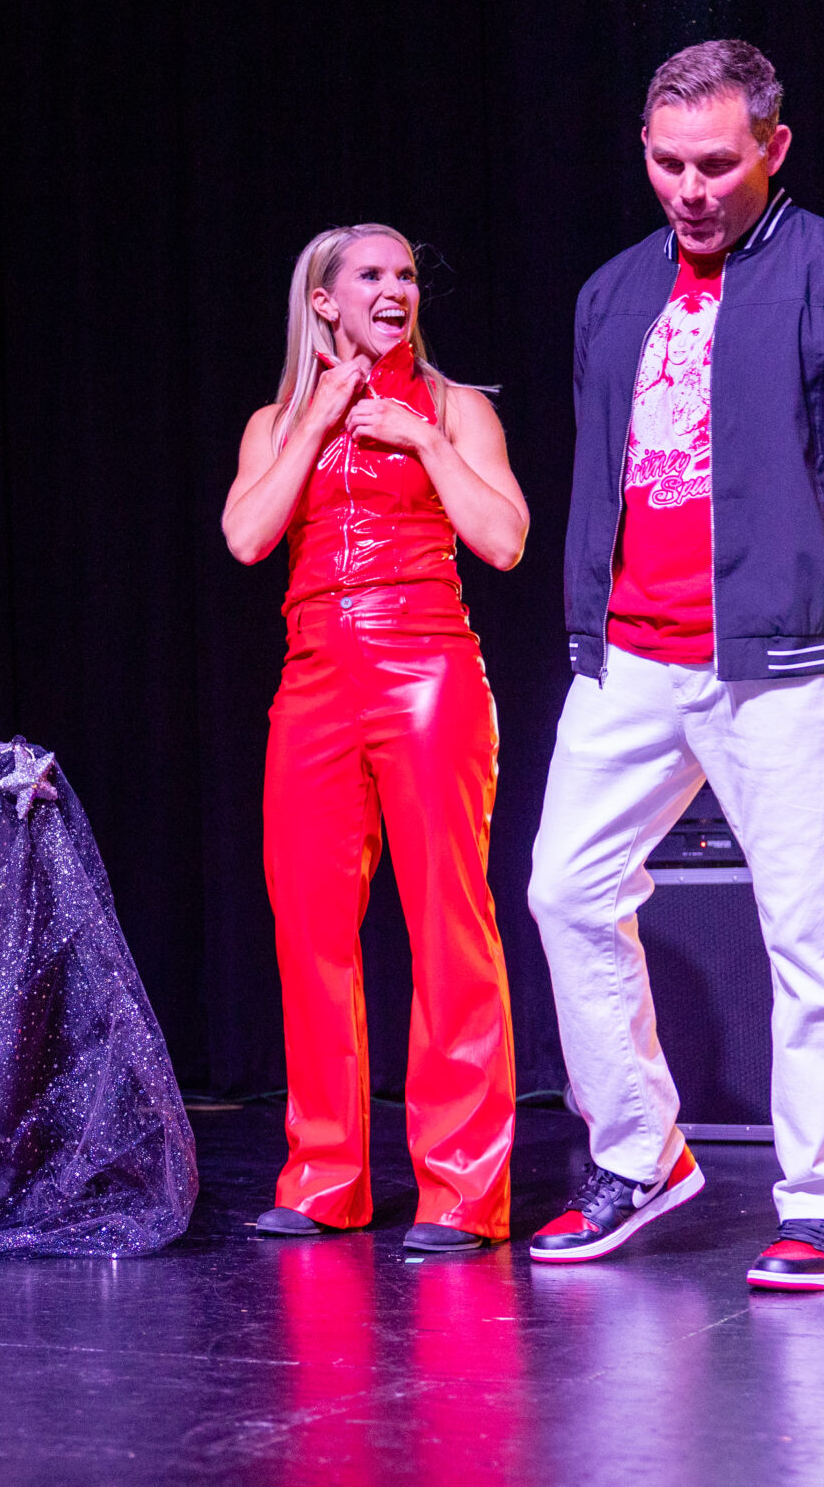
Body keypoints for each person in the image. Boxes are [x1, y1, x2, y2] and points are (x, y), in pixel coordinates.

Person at [526, 40, 824, 1290]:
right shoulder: (612, 292)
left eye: (716, 163)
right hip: (628, 656)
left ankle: (823, 1205)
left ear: (774, 147)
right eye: (667, 163)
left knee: (806, 931)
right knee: (566, 891)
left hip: (791, 663)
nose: (690, 189)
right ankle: (638, 1156)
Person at [223, 224, 530, 1252]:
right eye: (371, 274)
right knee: (309, 931)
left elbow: (504, 540)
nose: (396, 288)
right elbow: (247, 537)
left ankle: (464, 1188)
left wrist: (425, 442)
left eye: (405, 274)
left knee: (448, 924)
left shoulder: (455, 406)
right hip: (313, 681)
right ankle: (324, 1176)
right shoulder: (274, 422)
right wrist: (315, 421)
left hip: (427, 672)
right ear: (324, 300)